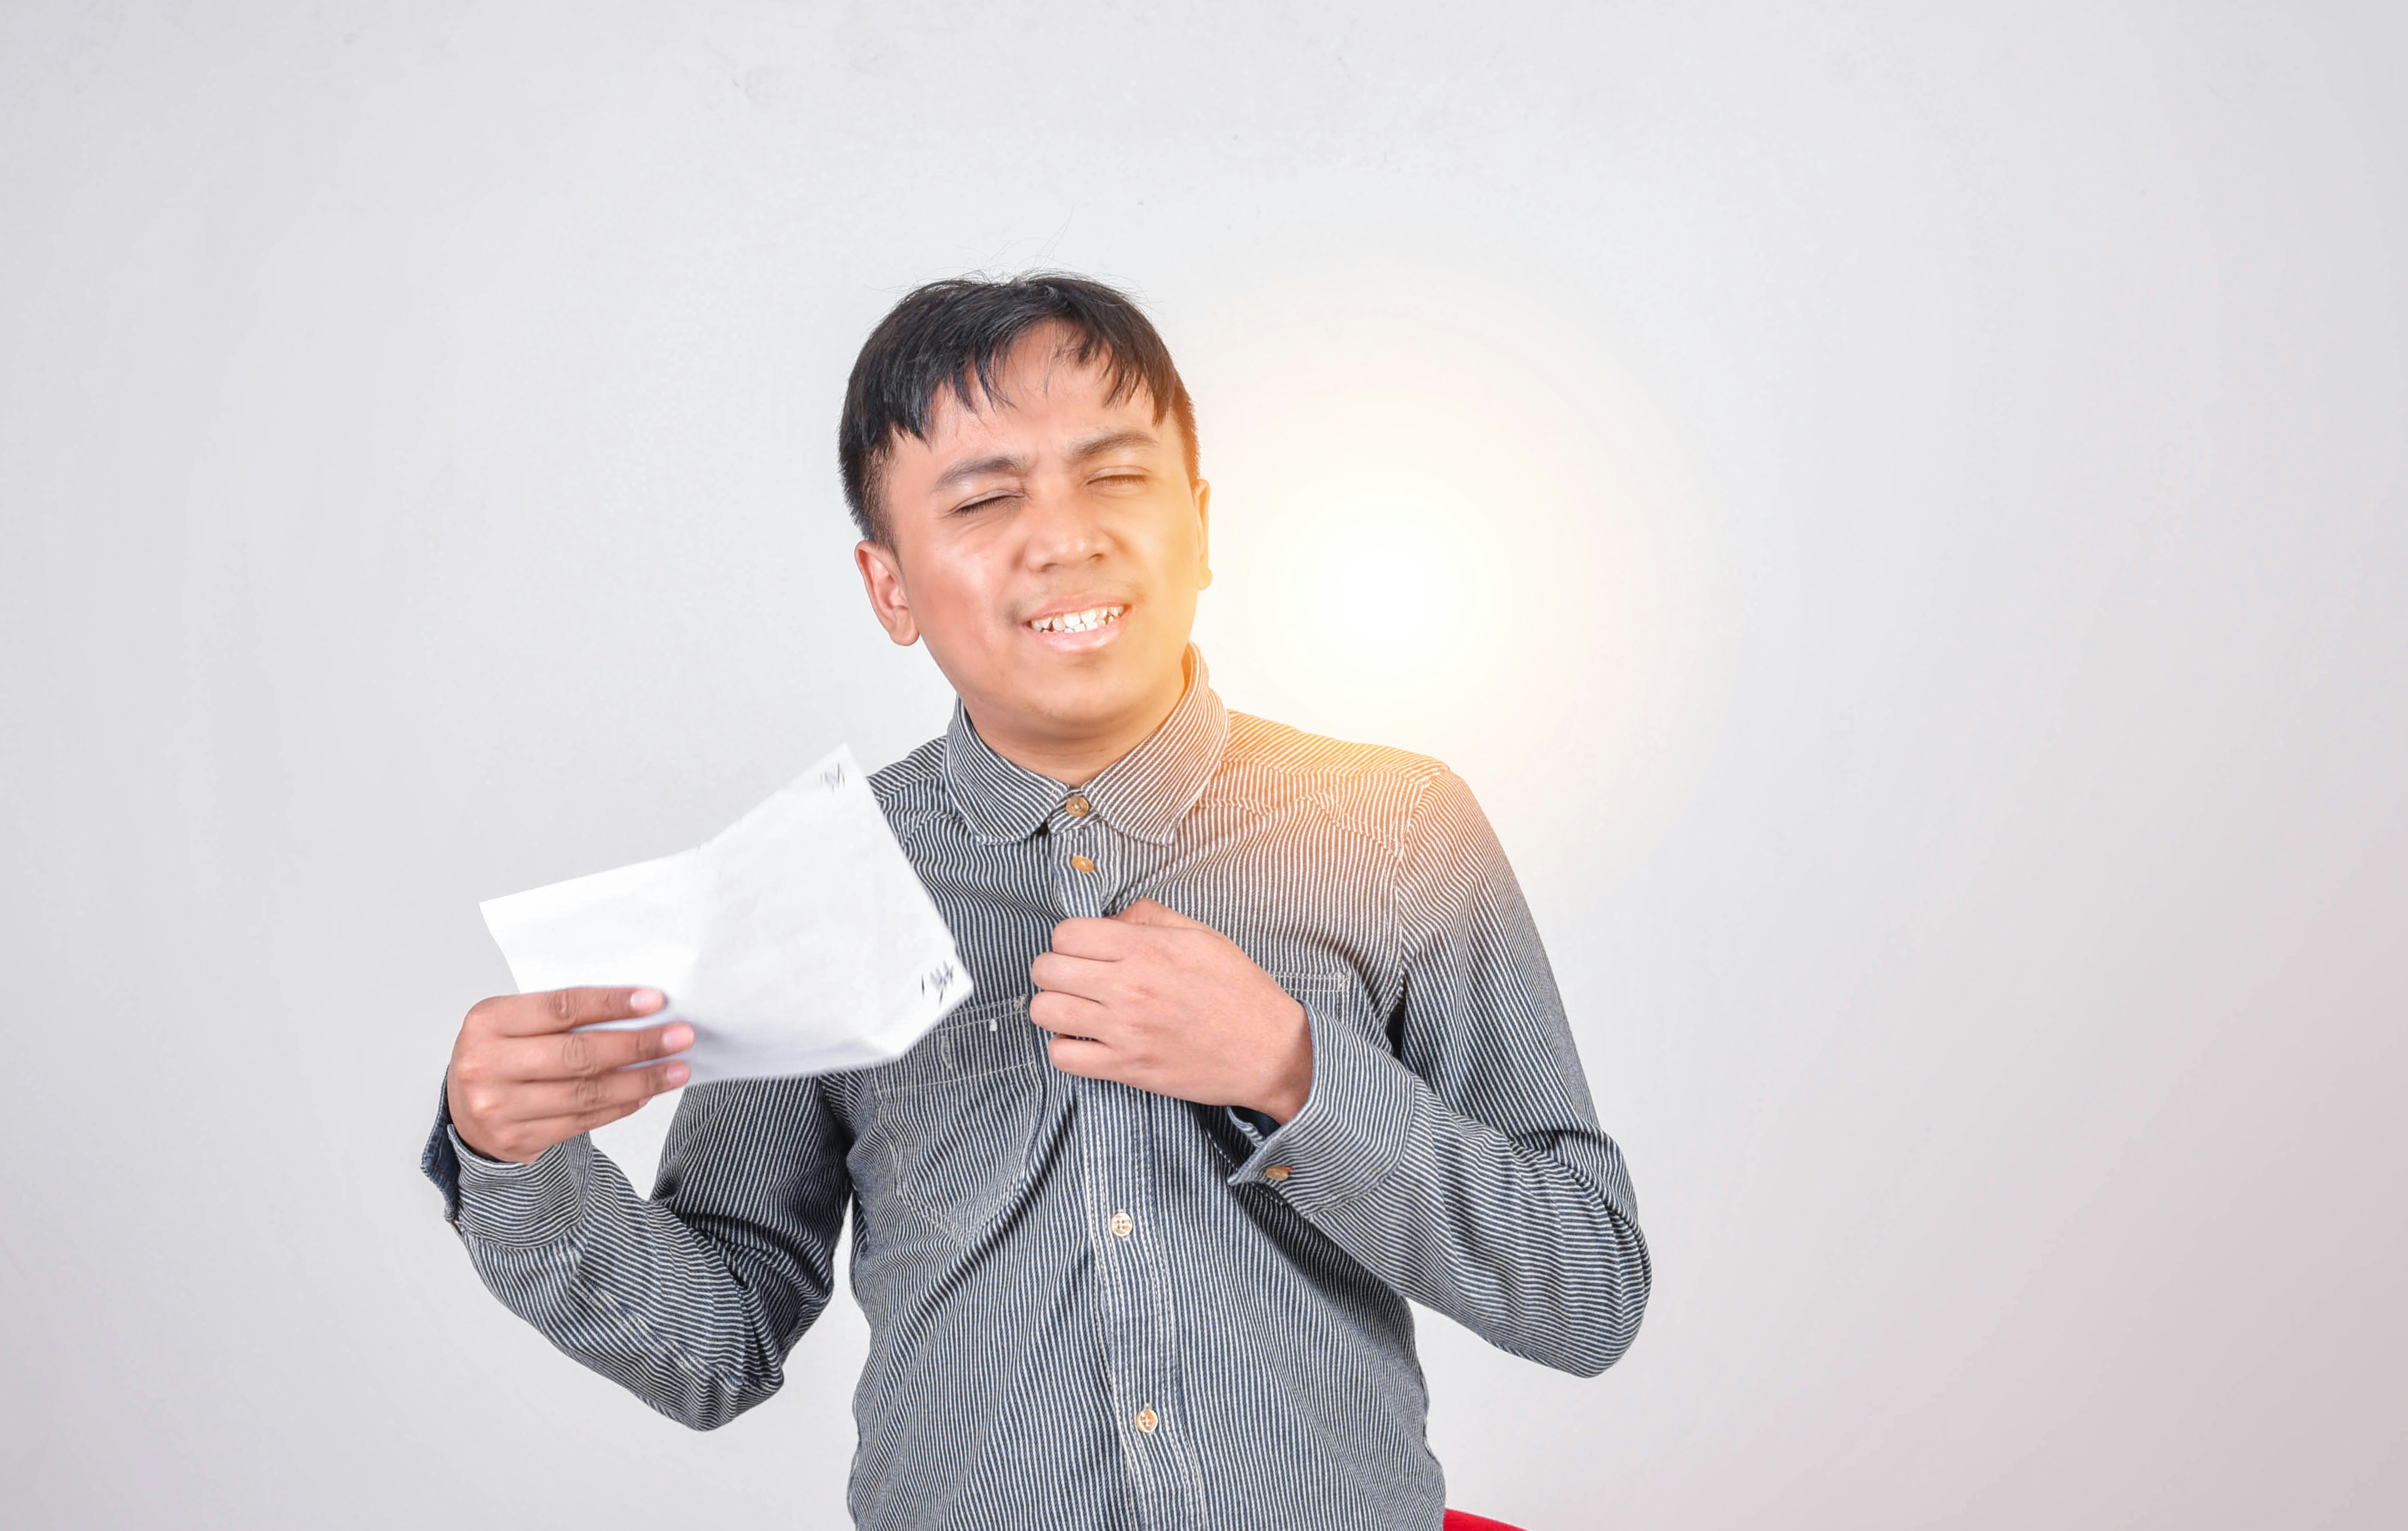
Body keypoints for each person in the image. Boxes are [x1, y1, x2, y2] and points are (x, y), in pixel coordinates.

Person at [423, 273, 1650, 1530]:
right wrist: (518, 1163)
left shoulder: (1394, 826)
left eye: (1116, 475)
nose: (1065, 538)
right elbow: (719, 1343)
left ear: (1201, 527)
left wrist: (1291, 1070)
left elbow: (1589, 1292)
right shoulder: (820, 879)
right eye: (984, 497)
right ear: (891, 587)